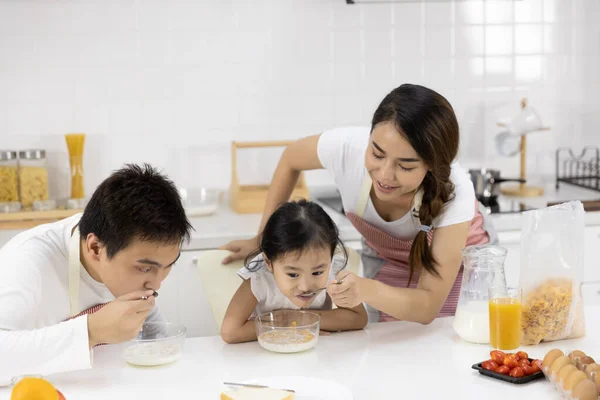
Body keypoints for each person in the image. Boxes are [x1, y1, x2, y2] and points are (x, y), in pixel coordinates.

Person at [221, 83, 495, 325]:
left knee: (447, 343)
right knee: (388, 343)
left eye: (406, 165)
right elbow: (291, 158)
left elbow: (425, 308)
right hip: (387, 264)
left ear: (432, 167)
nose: (385, 175)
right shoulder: (346, 149)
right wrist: (262, 237)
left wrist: (366, 289)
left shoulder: (454, 190)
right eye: (377, 154)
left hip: (456, 274)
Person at [0, 164, 192, 383]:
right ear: (95, 248)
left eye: (168, 266)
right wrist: (90, 331)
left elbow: (155, 340)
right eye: (145, 268)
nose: (156, 284)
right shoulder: (27, 261)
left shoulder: (130, 256)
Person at [221, 200, 368, 344]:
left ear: (330, 259)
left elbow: (358, 318)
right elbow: (230, 332)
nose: (305, 287)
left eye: (317, 273)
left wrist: (295, 318)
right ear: (268, 263)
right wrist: (287, 324)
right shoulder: (259, 279)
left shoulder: (332, 274)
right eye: (293, 274)